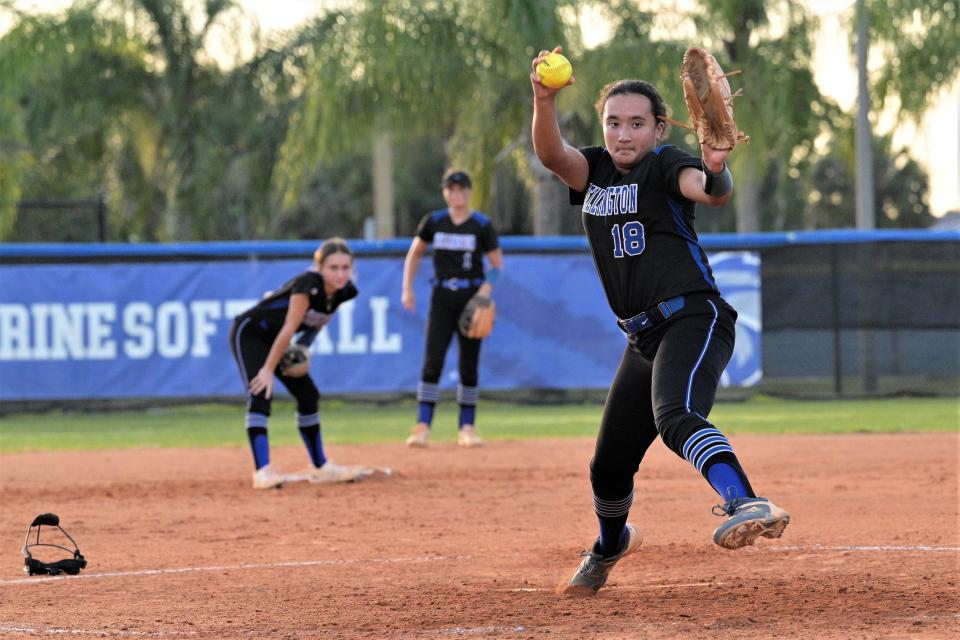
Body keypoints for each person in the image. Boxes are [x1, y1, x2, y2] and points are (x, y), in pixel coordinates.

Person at [529, 47, 790, 594]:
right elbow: (552, 155)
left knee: (676, 415)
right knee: (607, 468)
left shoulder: (666, 163)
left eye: (637, 123)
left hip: (695, 317)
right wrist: (544, 97)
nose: (624, 134)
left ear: (659, 127)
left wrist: (716, 167)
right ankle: (609, 545)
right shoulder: (594, 169)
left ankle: (746, 499)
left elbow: (710, 193)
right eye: (614, 123)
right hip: (642, 336)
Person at [229, 238, 372, 489]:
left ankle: (321, 467)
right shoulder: (308, 285)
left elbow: (320, 321)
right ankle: (262, 471)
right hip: (251, 332)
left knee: (308, 395)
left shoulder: (346, 290)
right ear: (319, 268)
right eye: (333, 267)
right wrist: (267, 369)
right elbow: (288, 328)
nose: (340, 274)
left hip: (276, 340)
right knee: (260, 389)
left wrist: (303, 347)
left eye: (345, 267)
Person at [401, 169, 504, 448]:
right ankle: (423, 425)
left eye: (461, 188)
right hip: (442, 295)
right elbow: (415, 254)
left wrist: (485, 290)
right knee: (433, 360)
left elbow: (496, 265)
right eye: (451, 189)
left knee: (468, 364)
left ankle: (467, 428)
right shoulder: (434, 222)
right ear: (445, 192)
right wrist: (407, 288)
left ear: (469, 192)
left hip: (471, 298)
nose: (456, 194)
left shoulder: (481, 224)